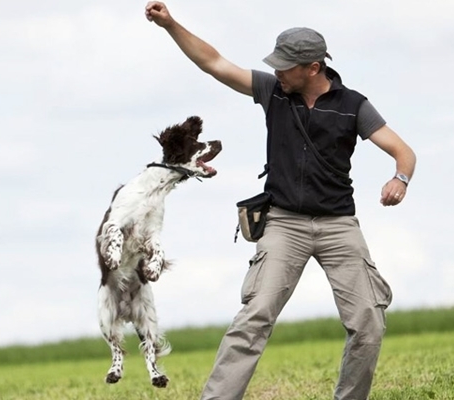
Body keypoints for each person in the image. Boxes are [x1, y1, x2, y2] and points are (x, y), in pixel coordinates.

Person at [145, 2, 417, 400]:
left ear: (313, 68)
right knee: (253, 318)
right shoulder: (273, 91)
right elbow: (214, 63)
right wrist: (170, 24)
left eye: (285, 65)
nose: (276, 71)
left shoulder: (353, 106)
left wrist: (401, 178)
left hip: (339, 226)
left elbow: (402, 150)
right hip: (283, 224)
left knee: (368, 323)